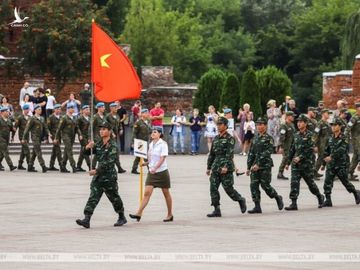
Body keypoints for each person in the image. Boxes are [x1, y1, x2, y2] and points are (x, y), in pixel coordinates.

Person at [76, 122, 127, 229]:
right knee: (93, 196)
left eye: (104, 129)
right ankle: (87, 218)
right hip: (98, 178)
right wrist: (87, 147)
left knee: (114, 198)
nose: (101, 131)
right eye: (100, 129)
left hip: (109, 177)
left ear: (109, 131)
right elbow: (86, 153)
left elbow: (109, 162)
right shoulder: (98, 143)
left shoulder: (113, 146)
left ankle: (121, 216)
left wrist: (96, 170)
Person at [129, 127, 173, 222]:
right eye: (152, 132)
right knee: (147, 193)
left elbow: (162, 158)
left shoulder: (163, 144)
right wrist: (147, 163)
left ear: (160, 134)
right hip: (152, 172)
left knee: (166, 193)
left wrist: (155, 168)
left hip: (162, 172)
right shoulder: (151, 144)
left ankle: (170, 214)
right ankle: (139, 213)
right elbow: (152, 158)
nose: (152, 133)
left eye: (155, 132)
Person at [206, 117, 247, 217]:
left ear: (225, 126)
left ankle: (240, 199)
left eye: (220, 124)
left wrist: (225, 166)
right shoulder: (216, 138)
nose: (218, 126)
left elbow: (229, 154)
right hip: (216, 167)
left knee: (228, 189)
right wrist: (208, 167)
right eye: (218, 124)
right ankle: (216, 209)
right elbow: (212, 154)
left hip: (226, 168)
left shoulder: (230, 138)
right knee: (213, 188)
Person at [284, 114, 324, 211]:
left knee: (311, 184)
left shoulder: (311, 135)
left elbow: (309, 149)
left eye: (301, 122)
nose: (299, 124)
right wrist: (288, 162)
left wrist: (300, 157)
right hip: (296, 164)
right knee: (294, 183)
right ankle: (293, 203)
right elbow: (292, 149)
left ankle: (319, 196)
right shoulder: (296, 135)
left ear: (305, 123)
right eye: (298, 122)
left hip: (307, 164)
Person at [246, 117, 284, 213]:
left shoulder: (269, 138)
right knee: (253, 185)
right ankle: (257, 206)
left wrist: (258, 164)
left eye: (261, 124)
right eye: (258, 124)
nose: (259, 126)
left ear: (265, 126)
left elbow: (267, 152)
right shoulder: (255, 138)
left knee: (265, 185)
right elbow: (251, 153)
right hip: (254, 167)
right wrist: (248, 166)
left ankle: (277, 197)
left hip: (265, 165)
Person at [320, 118, 360, 207]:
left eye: (335, 125)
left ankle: (356, 193)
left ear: (340, 126)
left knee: (345, 182)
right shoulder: (330, 138)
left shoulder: (344, 137)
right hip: (331, 164)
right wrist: (323, 163)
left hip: (341, 164)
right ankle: (328, 200)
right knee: (327, 182)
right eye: (332, 125)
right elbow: (327, 150)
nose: (333, 127)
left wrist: (331, 157)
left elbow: (341, 150)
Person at [54, 103, 82, 173]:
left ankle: (63, 166)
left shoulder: (74, 117)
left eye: (73, 108)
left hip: (72, 136)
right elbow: (59, 129)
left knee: (67, 151)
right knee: (69, 150)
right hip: (65, 136)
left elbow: (77, 127)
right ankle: (73, 166)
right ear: (68, 109)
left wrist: (80, 134)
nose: (73, 110)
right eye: (72, 108)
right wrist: (56, 138)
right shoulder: (64, 118)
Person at [22, 104, 49, 173]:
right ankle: (43, 166)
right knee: (38, 151)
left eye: (41, 109)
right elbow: (27, 129)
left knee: (34, 152)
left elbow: (45, 127)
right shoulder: (32, 118)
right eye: (39, 109)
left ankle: (30, 166)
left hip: (40, 137)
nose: (40, 110)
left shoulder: (42, 118)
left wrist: (48, 133)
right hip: (34, 137)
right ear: (35, 110)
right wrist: (23, 138)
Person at [105, 103, 126, 173]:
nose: (116, 109)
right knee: (110, 152)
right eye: (115, 107)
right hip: (108, 137)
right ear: (111, 108)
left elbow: (119, 124)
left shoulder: (117, 116)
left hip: (115, 137)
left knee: (115, 152)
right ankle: (115, 167)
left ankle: (118, 168)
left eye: (117, 107)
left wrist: (121, 129)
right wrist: (111, 132)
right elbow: (106, 126)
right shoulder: (107, 116)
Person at [131, 108, 151, 174]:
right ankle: (150, 169)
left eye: (147, 113)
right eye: (145, 113)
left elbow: (150, 130)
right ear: (142, 114)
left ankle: (134, 169)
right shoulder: (138, 122)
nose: (147, 114)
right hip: (140, 142)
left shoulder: (148, 121)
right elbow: (134, 133)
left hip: (146, 141)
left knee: (138, 156)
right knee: (145, 156)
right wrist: (133, 142)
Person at [314, 109, 332, 179]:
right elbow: (316, 134)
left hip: (327, 144)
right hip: (321, 144)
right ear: (323, 114)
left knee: (326, 157)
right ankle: (314, 172)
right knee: (321, 157)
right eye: (328, 113)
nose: (329, 115)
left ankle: (315, 171)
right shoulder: (320, 123)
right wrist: (315, 145)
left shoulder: (327, 123)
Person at [277, 111, 295, 180]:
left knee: (292, 158)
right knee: (285, 159)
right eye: (292, 116)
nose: (293, 117)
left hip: (292, 145)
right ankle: (280, 173)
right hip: (286, 145)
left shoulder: (292, 125)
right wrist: (281, 147)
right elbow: (282, 137)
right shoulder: (284, 125)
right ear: (288, 117)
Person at [14, 104, 31, 170]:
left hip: (27, 137)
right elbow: (15, 127)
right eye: (26, 109)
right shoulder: (20, 117)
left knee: (23, 151)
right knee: (27, 150)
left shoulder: (30, 117)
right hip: (22, 137)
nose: (27, 110)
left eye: (28, 109)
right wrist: (12, 137)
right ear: (23, 110)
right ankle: (30, 164)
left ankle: (20, 164)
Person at [0, 106, 17, 171]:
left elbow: (12, 129)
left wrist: (13, 132)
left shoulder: (9, 120)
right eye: (6, 111)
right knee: (5, 151)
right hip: (1, 138)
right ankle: (11, 166)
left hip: (7, 138)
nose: (8, 113)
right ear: (2, 113)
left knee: (2, 153)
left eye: (8, 111)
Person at [47, 104, 62, 171]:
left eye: (60, 109)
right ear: (55, 109)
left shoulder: (61, 117)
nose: (59, 110)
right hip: (54, 136)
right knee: (58, 151)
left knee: (54, 151)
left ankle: (51, 165)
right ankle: (62, 166)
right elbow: (47, 127)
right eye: (58, 109)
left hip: (59, 136)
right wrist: (49, 134)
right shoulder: (51, 117)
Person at [76, 105, 91, 172]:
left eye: (89, 109)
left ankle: (78, 166)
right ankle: (90, 166)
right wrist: (80, 134)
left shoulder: (90, 118)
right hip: (82, 136)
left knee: (83, 151)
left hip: (88, 136)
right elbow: (77, 127)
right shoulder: (80, 118)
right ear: (83, 110)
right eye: (87, 109)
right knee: (86, 150)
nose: (88, 111)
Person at [348, 102, 360, 181]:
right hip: (356, 140)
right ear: (357, 108)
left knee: (355, 157)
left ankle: (349, 173)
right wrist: (346, 138)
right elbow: (347, 127)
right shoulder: (354, 118)